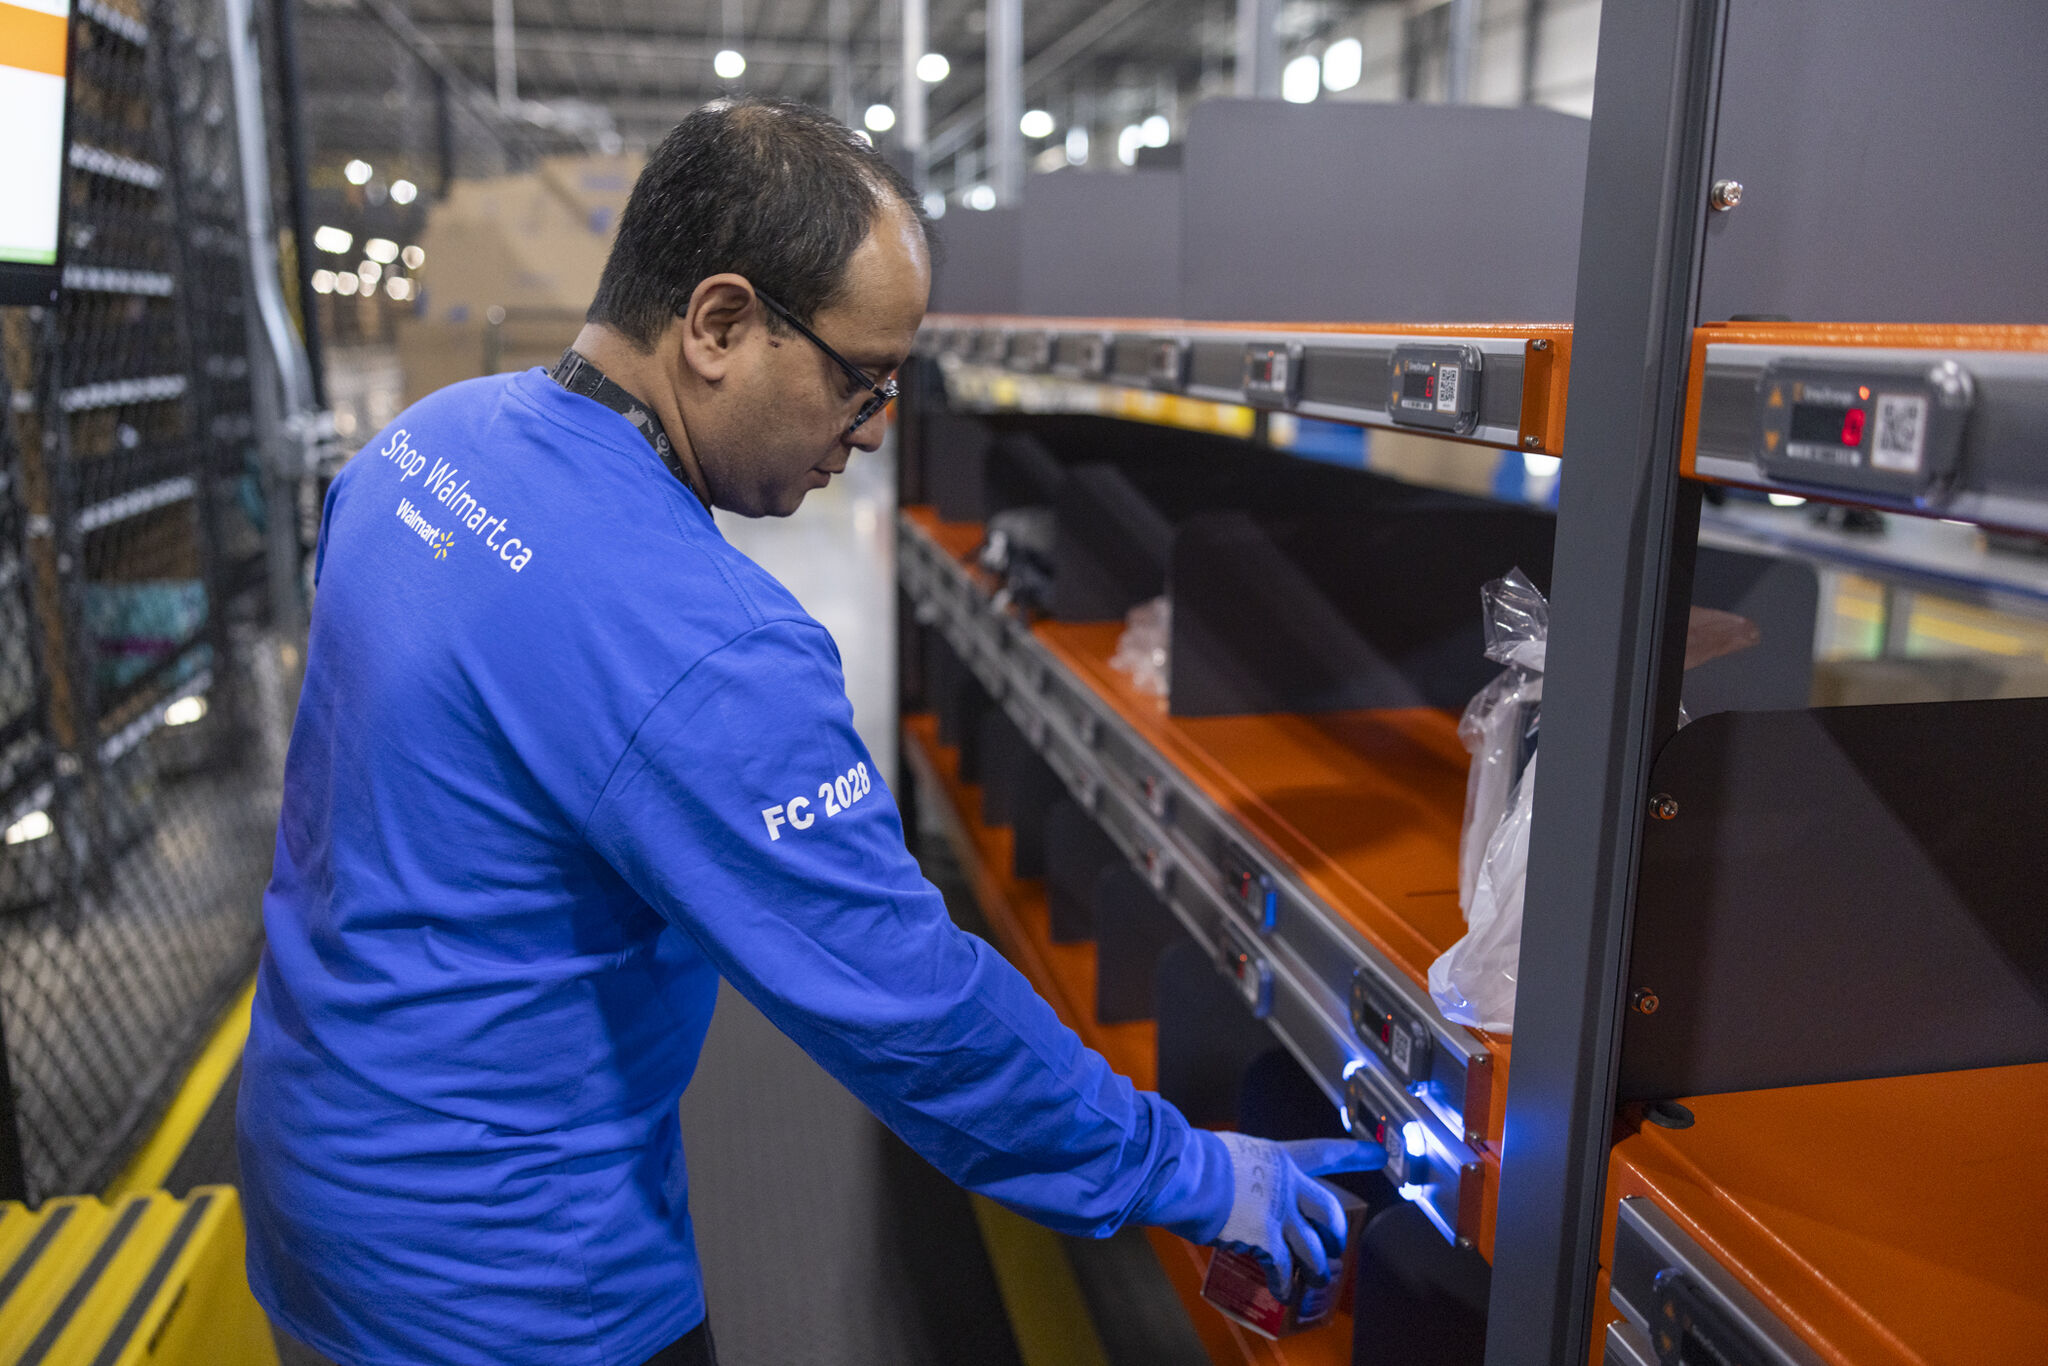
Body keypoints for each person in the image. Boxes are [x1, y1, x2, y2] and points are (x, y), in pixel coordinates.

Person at [237, 97, 1382, 1366]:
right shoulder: (706, 645)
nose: (880, 424)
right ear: (719, 323)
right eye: (861, 377)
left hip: (314, 1194)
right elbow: (908, 1008)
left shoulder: (417, 452)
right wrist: (1194, 1173)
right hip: (510, 1284)